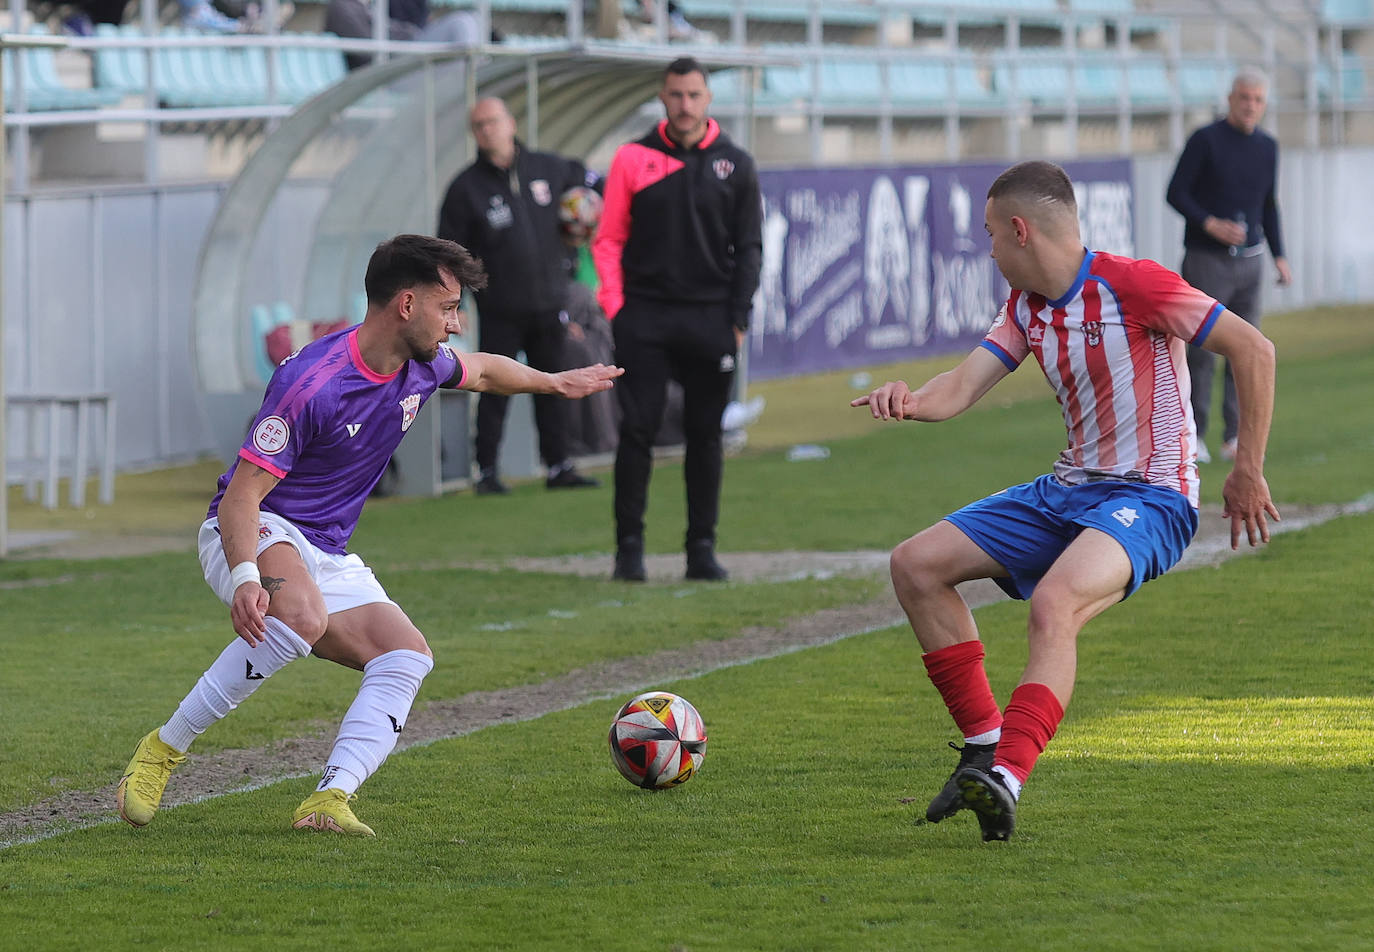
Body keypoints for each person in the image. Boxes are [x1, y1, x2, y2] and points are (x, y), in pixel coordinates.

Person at [115, 235, 621, 837]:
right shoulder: (312, 382)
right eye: (448, 306)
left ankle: (330, 798)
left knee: (406, 656)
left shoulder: (424, 365)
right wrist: (247, 576)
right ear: (406, 304)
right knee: (299, 618)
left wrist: (556, 382)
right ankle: (162, 750)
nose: (456, 324)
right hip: (255, 528)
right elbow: (242, 497)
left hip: (325, 549)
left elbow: (485, 371)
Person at [853, 161, 1278, 842]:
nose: (989, 250)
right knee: (916, 564)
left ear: (1021, 231)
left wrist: (1247, 469)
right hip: (1070, 490)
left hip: (1153, 497)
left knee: (1055, 605)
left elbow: (1253, 349)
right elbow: (959, 389)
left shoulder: (1134, 285)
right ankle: (984, 746)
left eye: (992, 235)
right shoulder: (1027, 307)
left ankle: (1007, 779)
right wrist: (906, 398)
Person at [593, 56, 762, 582]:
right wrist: (617, 309)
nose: (684, 105)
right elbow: (609, 238)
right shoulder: (632, 158)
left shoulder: (736, 162)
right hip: (643, 318)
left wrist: (737, 318)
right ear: (663, 99)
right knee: (637, 432)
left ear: (707, 99)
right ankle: (629, 550)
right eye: (675, 95)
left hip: (711, 319)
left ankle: (701, 549)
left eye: (693, 95)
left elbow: (750, 248)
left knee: (705, 435)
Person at [438, 97, 603, 495]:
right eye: (479, 125)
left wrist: (590, 212)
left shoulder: (548, 168)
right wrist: (455, 306)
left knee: (553, 384)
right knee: (495, 389)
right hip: (501, 309)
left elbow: (591, 181)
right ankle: (487, 471)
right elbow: (449, 252)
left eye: (493, 122)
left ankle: (559, 465)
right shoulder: (465, 189)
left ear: (511, 124)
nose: (487, 130)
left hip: (550, 303)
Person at [1167, 67, 1291, 465]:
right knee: (1201, 350)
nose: (1250, 105)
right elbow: (1176, 192)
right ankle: (1195, 432)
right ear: (1230, 98)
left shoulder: (1268, 147)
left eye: (1257, 99)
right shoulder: (1205, 140)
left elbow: (1269, 204)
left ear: (1264, 104)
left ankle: (1235, 435)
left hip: (1250, 263)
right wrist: (1209, 223)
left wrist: (1280, 255)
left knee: (1247, 349)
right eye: (1244, 98)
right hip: (1207, 260)